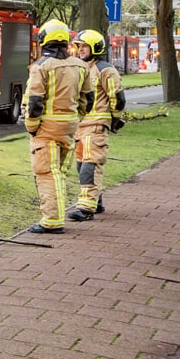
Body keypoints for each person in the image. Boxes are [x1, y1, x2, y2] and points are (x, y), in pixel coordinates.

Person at [23, 21, 95, 234]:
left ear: (44, 39)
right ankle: (56, 215)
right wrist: (76, 118)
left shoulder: (41, 67)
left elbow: (35, 102)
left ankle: (52, 220)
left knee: (46, 173)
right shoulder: (80, 66)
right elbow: (88, 99)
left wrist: (32, 127)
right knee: (59, 174)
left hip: (46, 128)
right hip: (69, 127)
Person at [68, 29, 125, 221]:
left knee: (90, 167)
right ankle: (96, 200)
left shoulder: (105, 69)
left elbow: (117, 98)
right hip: (80, 126)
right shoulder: (80, 68)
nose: (80, 50)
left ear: (95, 47)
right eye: (78, 46)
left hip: (96, 126)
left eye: (84, 46)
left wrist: (114, 119)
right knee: (81, 166)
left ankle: (86, 207)